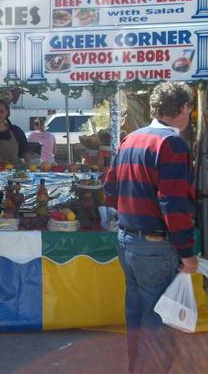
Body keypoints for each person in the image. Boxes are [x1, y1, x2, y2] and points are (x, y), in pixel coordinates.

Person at [104, 82, 198, 374]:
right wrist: (187, 251)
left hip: (128, 240)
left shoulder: (131, 139)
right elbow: (173, 202)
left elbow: (109, 189)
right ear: (183, 109)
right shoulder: (172, 144)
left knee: (137, 319)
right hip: (155, 245)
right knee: (156, 326)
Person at [0, 98, 30, 165]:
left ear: (7, 112)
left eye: (2, 111)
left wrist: (26, 166)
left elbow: (26, 151)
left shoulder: (16, 131)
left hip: (14, 173)